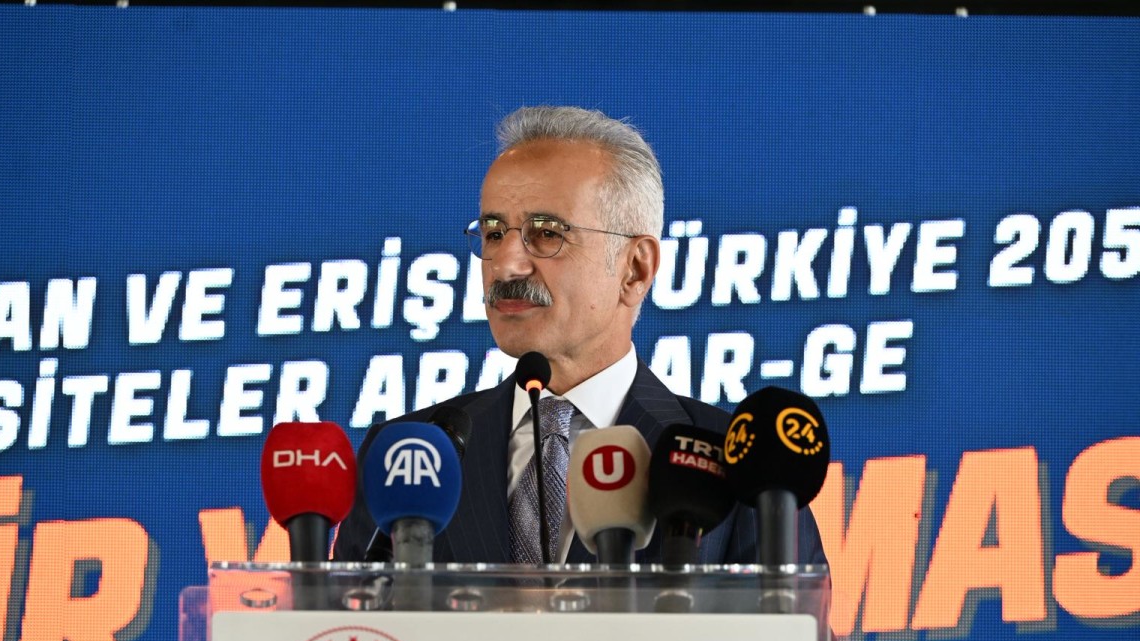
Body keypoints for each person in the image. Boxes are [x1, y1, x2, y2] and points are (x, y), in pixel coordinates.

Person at [333, 105, 826, 567]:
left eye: (547, 233)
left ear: (635, 269)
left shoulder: (743, 469)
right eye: (493, 233)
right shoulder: (408, 457)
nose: (506, 264)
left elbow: (797, 634)